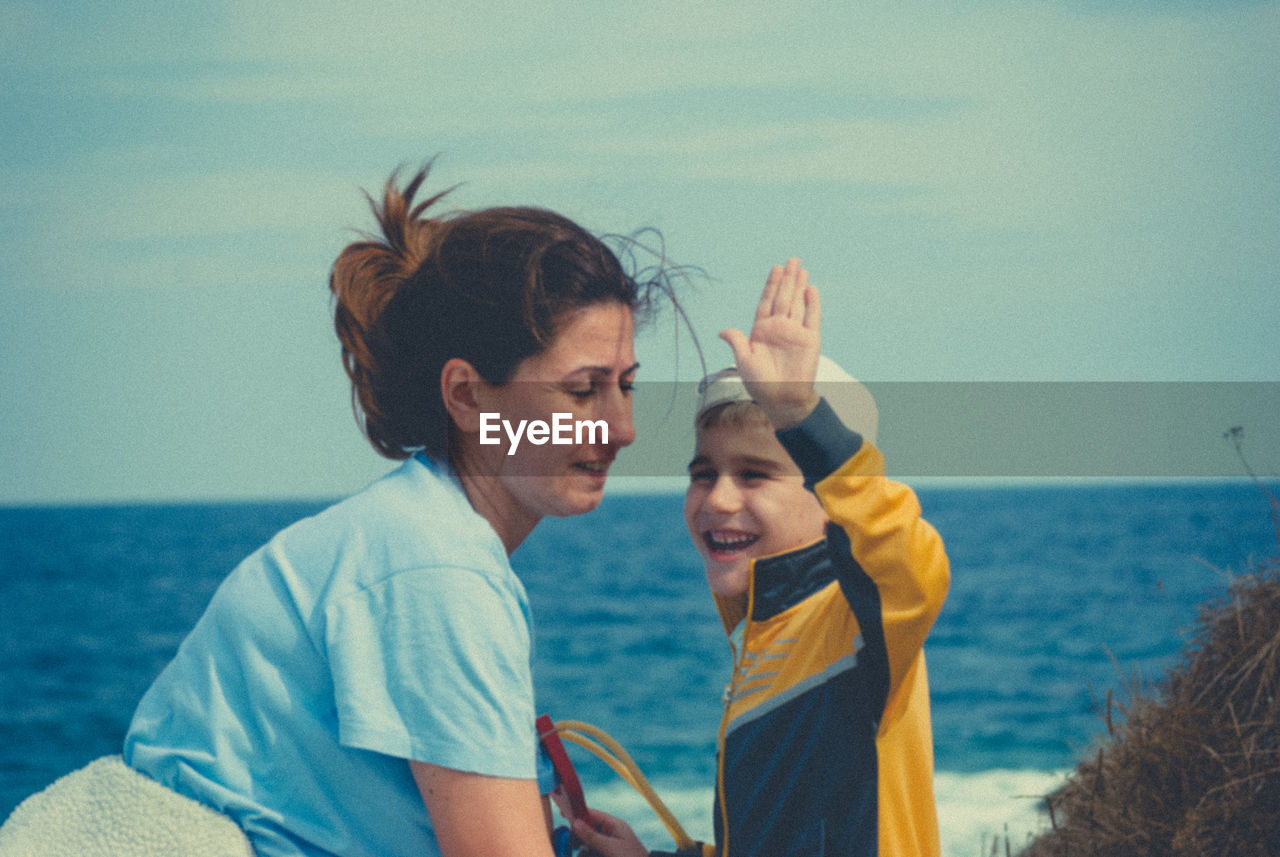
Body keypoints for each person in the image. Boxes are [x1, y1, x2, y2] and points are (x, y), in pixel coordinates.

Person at [0, 163, 676, 857]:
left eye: (626, 386)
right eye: (583, 390)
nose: (622, 427)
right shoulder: (437, 569)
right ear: (468, 396)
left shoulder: (415, 533)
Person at [573, 259, 950, 857]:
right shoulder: (765, 640)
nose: (718, 499)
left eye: (754, 475)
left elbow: (909, 565)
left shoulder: (854, 628)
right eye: (703, 474)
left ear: (831, 497)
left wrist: (802, 418)